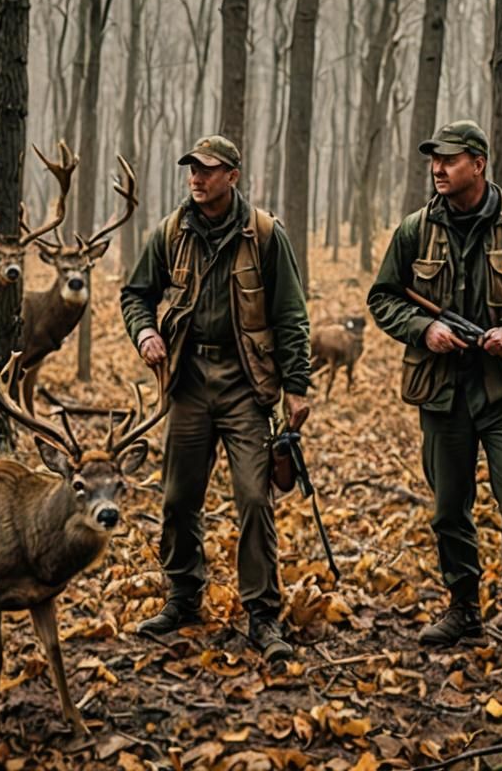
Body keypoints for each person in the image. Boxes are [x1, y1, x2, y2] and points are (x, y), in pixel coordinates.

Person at [367, 120, 502, 653]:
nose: (438, 169)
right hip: (441, 392)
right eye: (434, 160)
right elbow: (383, 298)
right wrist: (424, 329)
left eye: (450, 159)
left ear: (478, 164)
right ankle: (463, 610)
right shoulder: (415, 230)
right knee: (448, 508)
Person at [120, 134, 311, 662]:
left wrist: (296, 386)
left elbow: (291, 315)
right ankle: (183, 599)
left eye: (208, 170)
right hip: (187, 380)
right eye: (192, 170)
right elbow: (136, 295)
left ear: (233, 176)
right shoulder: (171, 232)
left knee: (254, 497)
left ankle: (263, 615)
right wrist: (145, 333)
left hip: (246, 383)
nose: (197, 179)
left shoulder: (265, 234)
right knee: (177, 497)